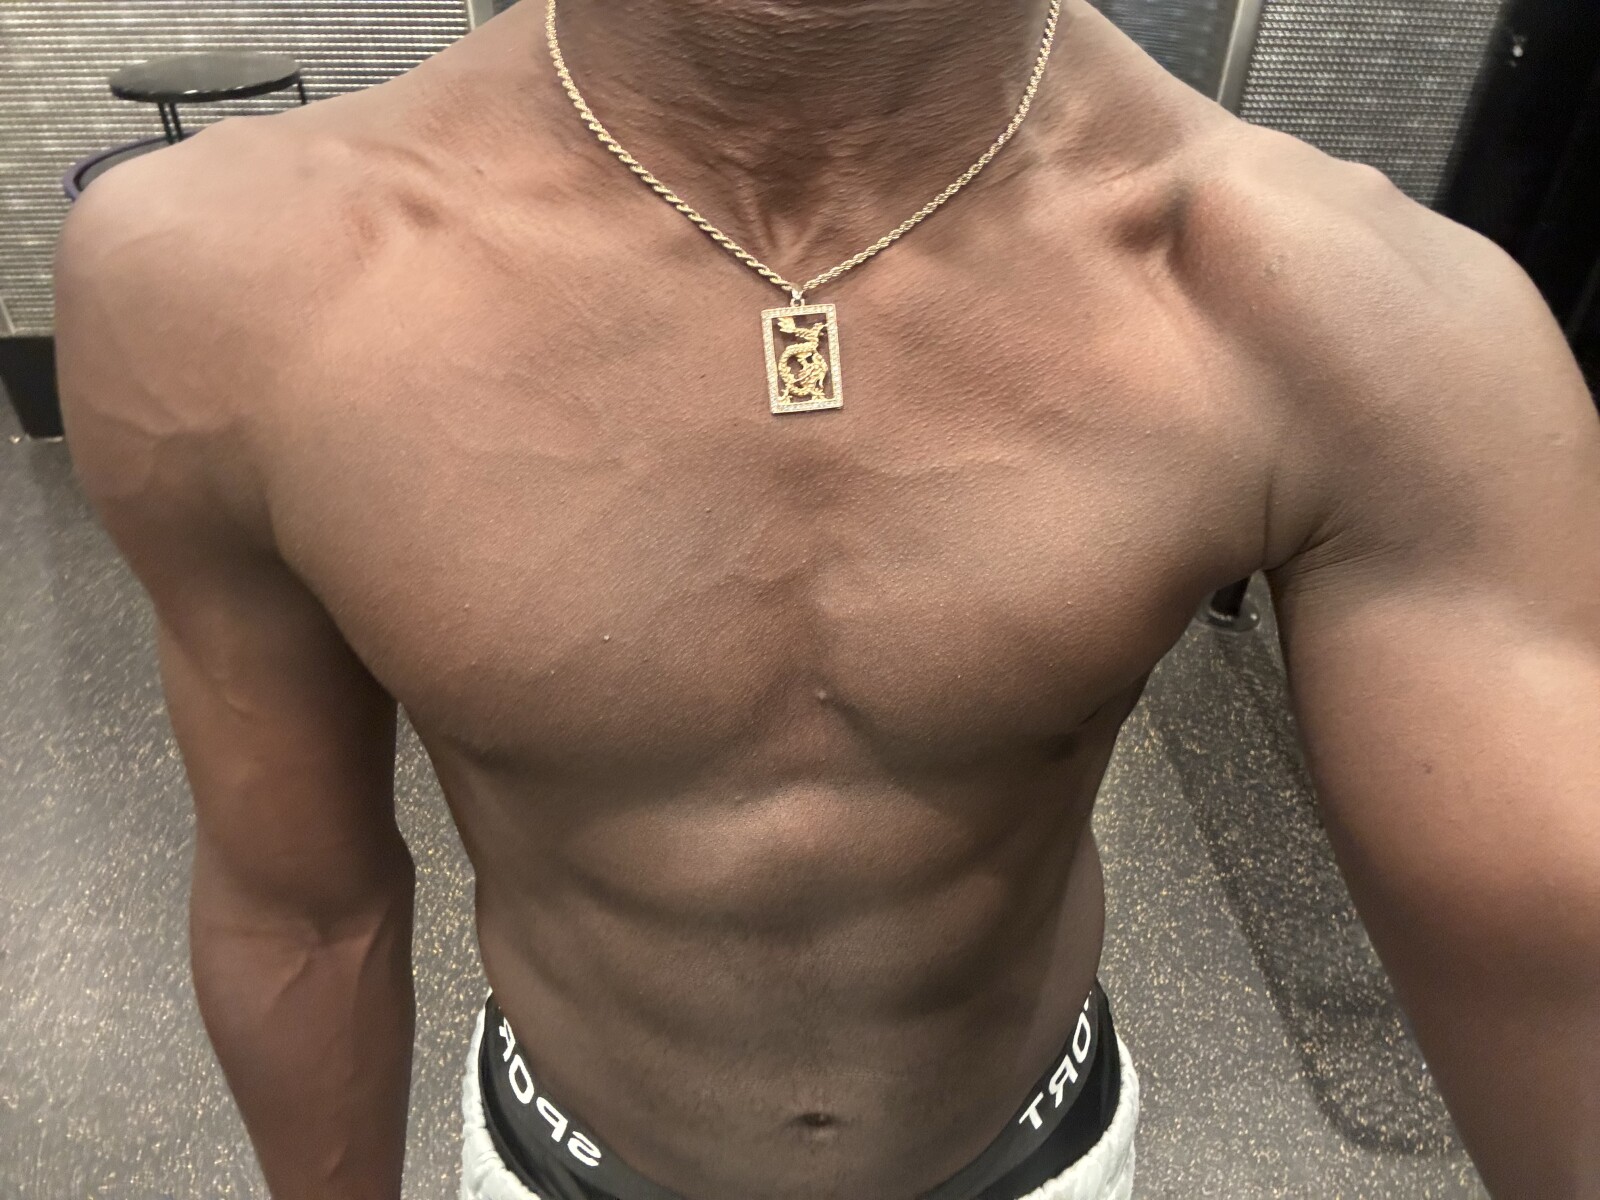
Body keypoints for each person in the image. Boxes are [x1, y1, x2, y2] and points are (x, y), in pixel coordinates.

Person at [51, 0, 1600, 1197]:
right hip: (556, 1164)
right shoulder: (230, 281)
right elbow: (300, 907)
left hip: (1036, 1160)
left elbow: (1559, 961)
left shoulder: (1362, 323)